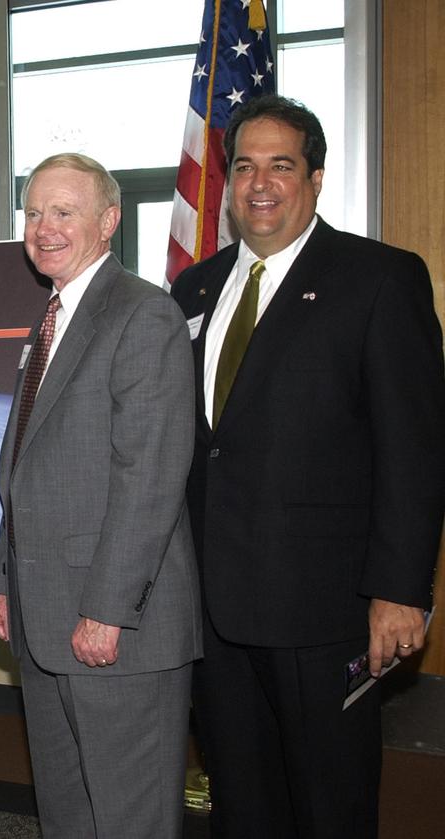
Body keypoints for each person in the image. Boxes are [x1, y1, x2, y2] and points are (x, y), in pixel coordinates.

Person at [171, 94, 445, 838]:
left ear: (315, 178)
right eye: (246, 167)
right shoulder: (194, 288)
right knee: (241, 799)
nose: (261, 184)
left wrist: (399, 591)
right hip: (212, 609)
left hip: (323, 611)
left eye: (281, 166)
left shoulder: (379, 280)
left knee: (331, 803)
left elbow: (414, 451)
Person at [0, 153, 202, 839]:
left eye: (64, 211)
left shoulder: (143, 315)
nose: (44, 228)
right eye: (34, 212)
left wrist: (107, 609)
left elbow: (150, 477)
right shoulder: (52, 317)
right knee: (70, 814)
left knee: (129, 819)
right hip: (44, 618)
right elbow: (28, 469)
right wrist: (4, 585)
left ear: (109, 221)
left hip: (116, 628)